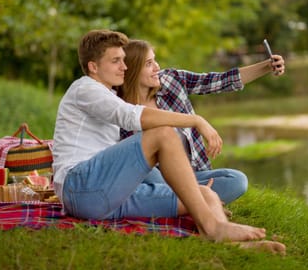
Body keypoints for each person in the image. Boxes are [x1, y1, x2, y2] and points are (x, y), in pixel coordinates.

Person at [52, 29, 286, 254]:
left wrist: (266, 66)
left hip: (111, 199)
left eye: (124, 60)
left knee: (205, 195)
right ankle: (214, 228)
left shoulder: (116, 94)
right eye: (116, 61)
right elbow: (132, 116)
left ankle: (225, 241)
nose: (123, 66)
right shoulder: (85, 89)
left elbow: (217, 80)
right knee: (162, 133)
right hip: (80, 187)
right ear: (93, 67)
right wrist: (195, 120)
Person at [117, 39, 285, 205]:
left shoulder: (171, 80)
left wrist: (266, 66)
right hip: (157, 179)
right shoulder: (119, 109)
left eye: (155, 60)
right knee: (144, 168)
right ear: (131, 69)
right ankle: (196, 203)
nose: (157, 67)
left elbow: (219, 81)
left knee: (237, 180)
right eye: (148, 63)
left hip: (193, 175)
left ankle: (182, 203)